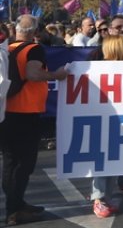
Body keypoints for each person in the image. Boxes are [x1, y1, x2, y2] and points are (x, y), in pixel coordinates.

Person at [3, 15, 70, 226]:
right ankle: (14, 211)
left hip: (6, 112)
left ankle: (16, 204)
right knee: (25, 163)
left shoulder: (8, 48)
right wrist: (57, 75)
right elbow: (33, 74)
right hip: (26, 111)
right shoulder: (34, 49)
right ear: (35, 32)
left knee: (10, 161)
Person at [88, 35, 123, 217]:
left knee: (112, 161)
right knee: (102, 160)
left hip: (120, 121)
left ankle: (104, 198)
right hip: (104, 119)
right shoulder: (99, 70)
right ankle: (98, 198)